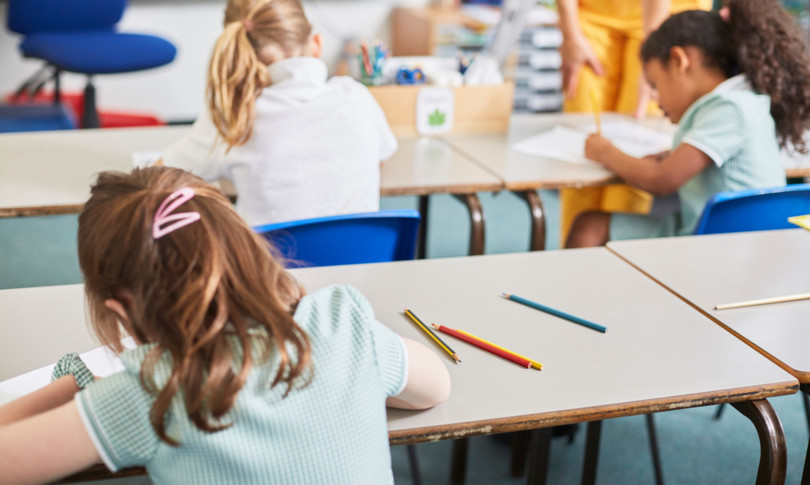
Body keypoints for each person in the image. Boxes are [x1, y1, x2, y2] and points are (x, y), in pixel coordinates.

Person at [0, 166, 450, 484]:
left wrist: (73, 386)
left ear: (121, 309)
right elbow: (434, 389)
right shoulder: (341, 320)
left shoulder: (149, 392)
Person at [566, 0, 810, 248]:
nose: (654, 97)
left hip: (723, 243)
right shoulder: (738, 100)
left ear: (679, 61)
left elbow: (660, 182)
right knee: (591, 224)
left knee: (589, 226)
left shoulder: (729, 108)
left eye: (655, 84)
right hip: (728, 235)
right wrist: (671, 156)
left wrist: (605, 152)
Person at [161, 0, 397, 227]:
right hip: (361, 264)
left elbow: (160, 177)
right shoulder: (357, 97)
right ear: (316, 43)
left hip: (269, 267)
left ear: (237, 53)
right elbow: (381, 160)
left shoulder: (234, 116)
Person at [556, 0, 712, 247]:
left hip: (664, 15)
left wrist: (651, 57)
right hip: (595, 13)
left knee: (638, 144)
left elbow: (659, 179)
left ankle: (622, 260)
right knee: (581, 153)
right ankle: (577, 259)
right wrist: (570, 32)